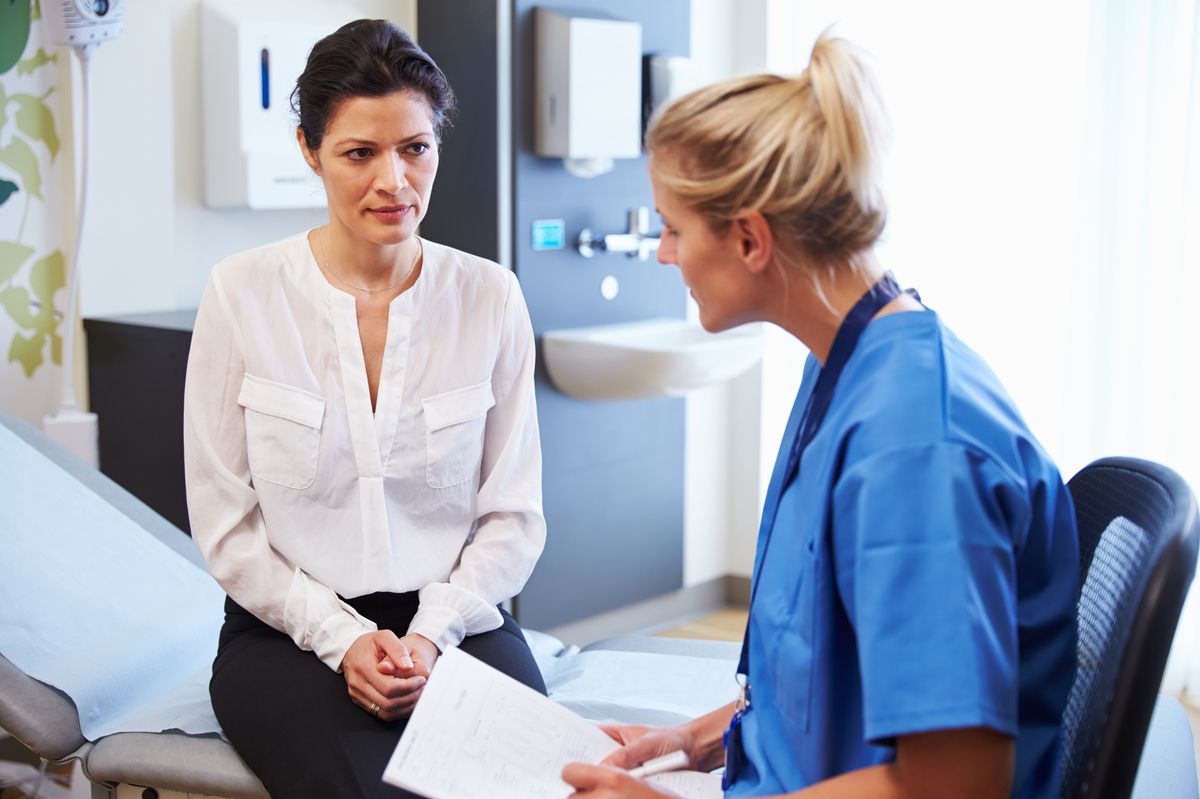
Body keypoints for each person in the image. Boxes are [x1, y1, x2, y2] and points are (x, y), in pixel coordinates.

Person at [563, 33, 1079, 799]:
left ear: (749, 237)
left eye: (672, 227)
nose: (664, 255)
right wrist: (691, 739)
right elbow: (819, 661)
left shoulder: (914, 447)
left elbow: (956, 783)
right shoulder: (850, 365)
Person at [182, 19, 547, 798]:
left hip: (456, 621)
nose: (395, 181)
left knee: (532, 783)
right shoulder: (241, 294)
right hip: (286, 630)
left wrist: (430, 634)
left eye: (415, 148)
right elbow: (226, 522)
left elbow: (512, 514)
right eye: (360, 153)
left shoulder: (490, 297)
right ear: (310, 151)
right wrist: (343, 637)